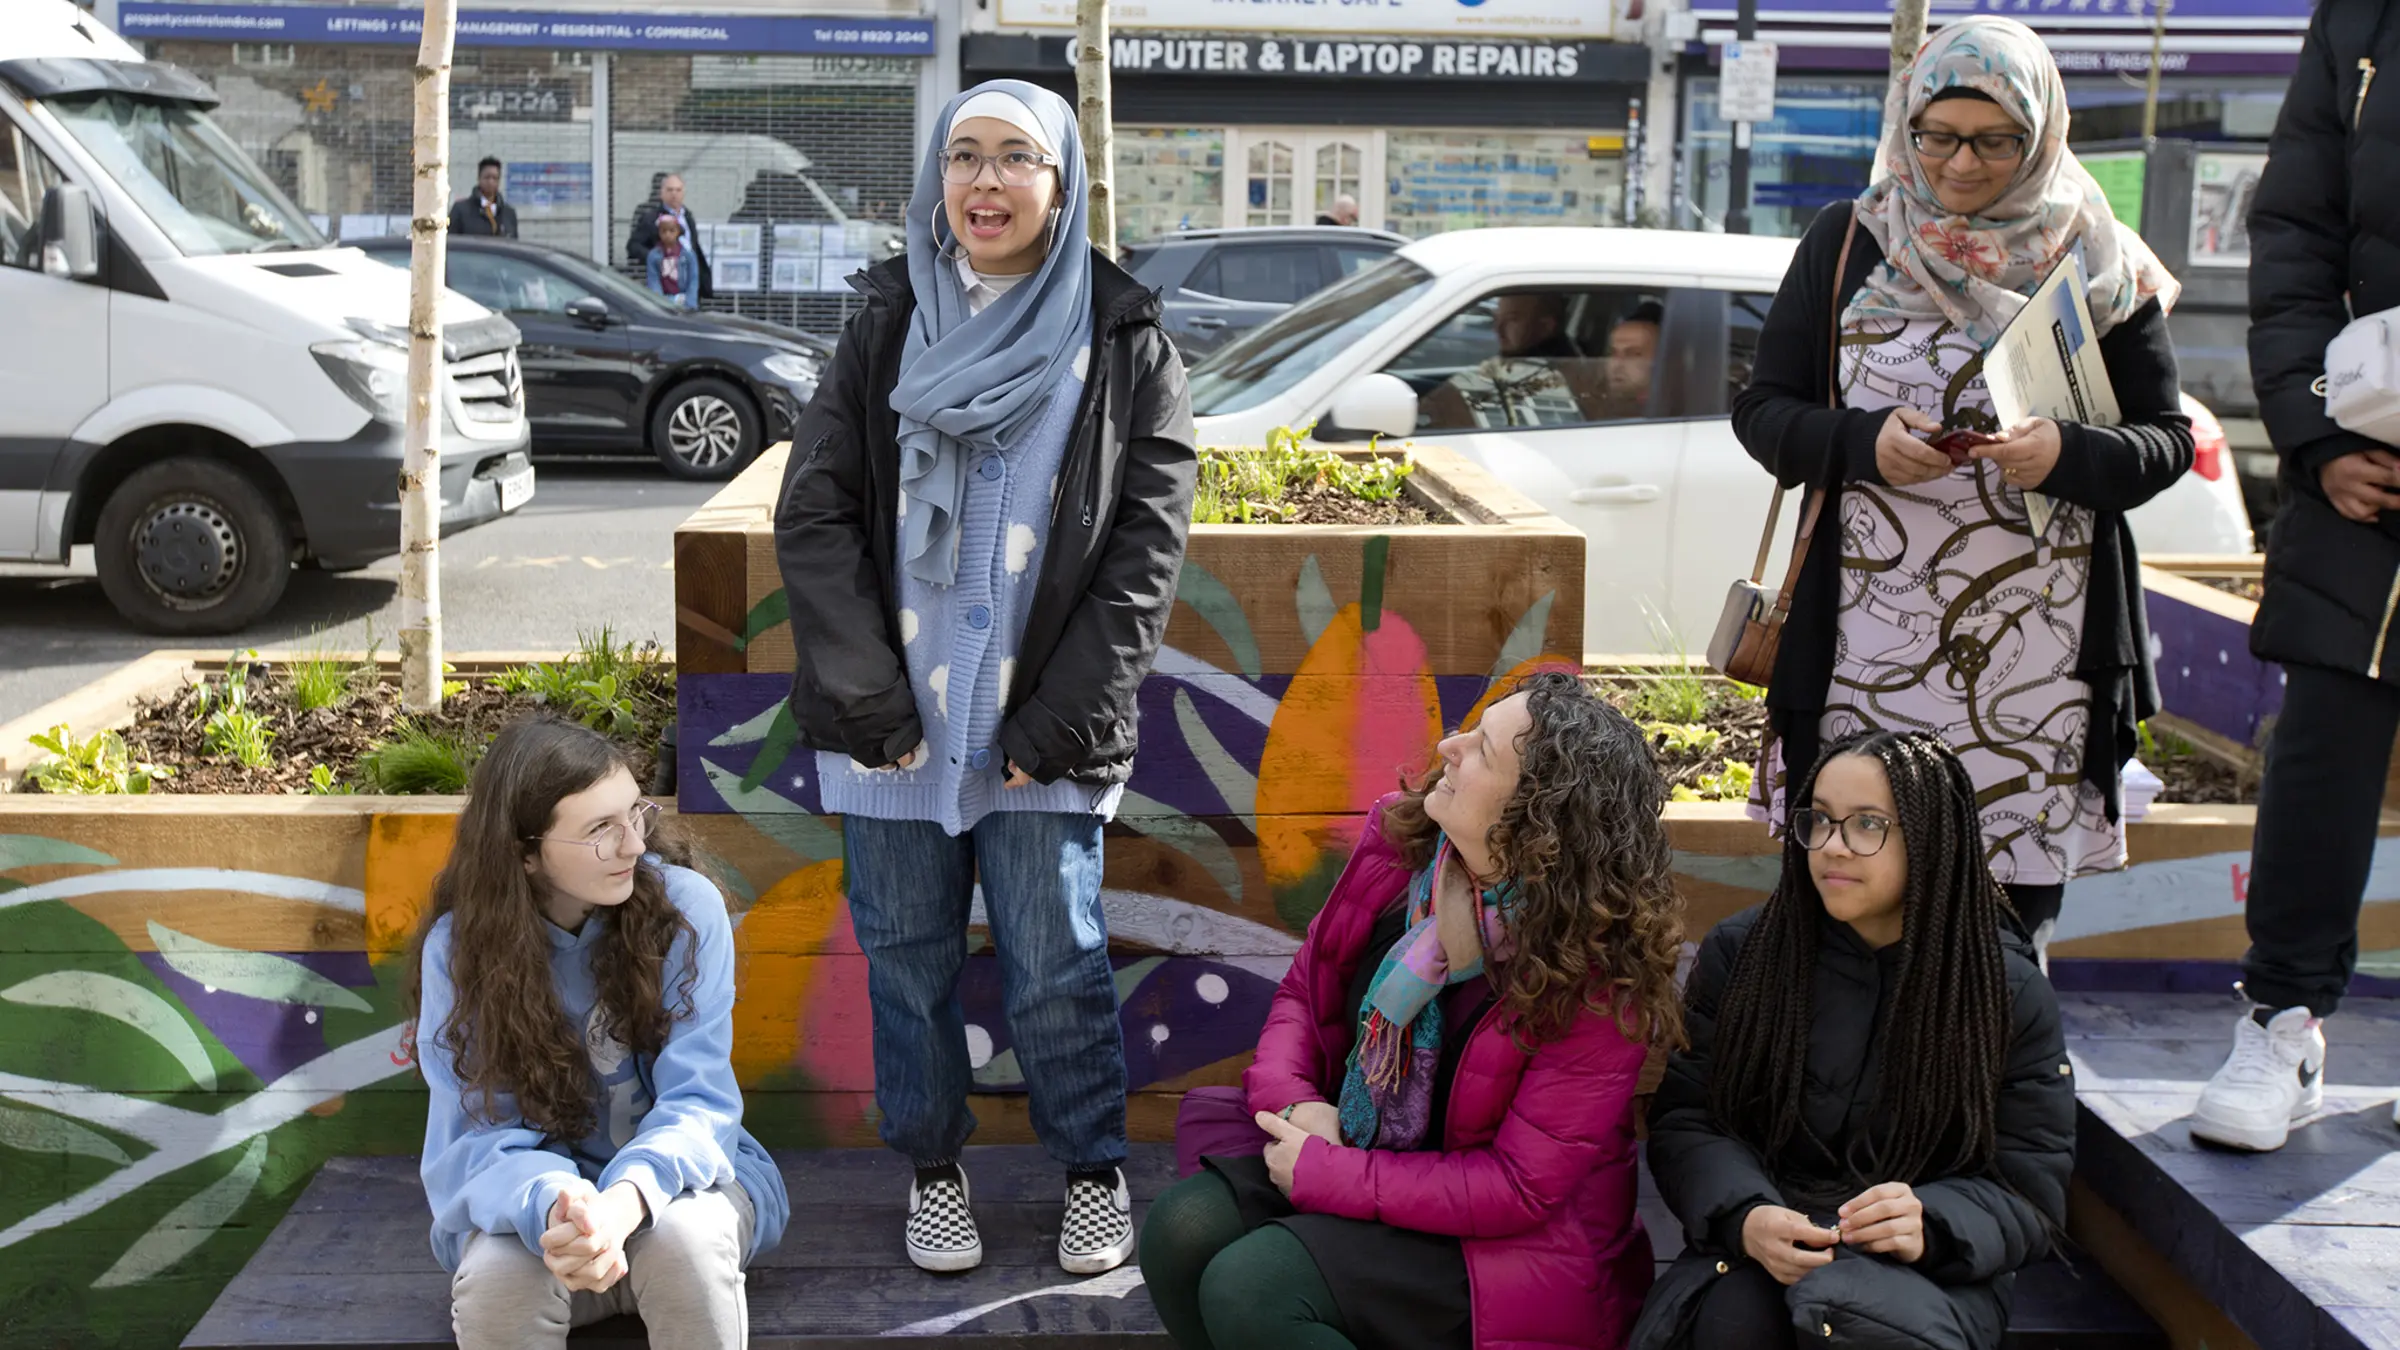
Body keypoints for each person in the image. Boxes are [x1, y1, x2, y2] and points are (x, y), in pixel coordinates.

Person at [770, 79, 1196, 1276]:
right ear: (936, 178)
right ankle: (933, 1171)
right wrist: (871, 702)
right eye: (964, 156)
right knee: (906, 962)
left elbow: (1145, 553)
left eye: (1016, 157)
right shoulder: (887, 318)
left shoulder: (1124, 338)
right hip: (892, 726)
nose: (986, 181)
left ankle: (1092, 1171)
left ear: (1063, 182)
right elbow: (814, 515)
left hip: (1040, 728)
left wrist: (1057, 726)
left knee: (1056, 963)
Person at [1729, 15, 2192, 957]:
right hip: (1862, 656)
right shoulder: (1851, 240)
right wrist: (1861, 443)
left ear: (2043, 133)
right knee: (1849, 919)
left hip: (2039, 667)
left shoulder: (2100, 258)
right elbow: (1762, 412)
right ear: (1905, 126)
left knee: (2002, 947)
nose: (1962, 164)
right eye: (1937, 137)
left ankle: (1986, 1059)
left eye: (1995, 141)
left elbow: (2165, 441)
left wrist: (2067, 454)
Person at [1140, 672, 1685, 1350]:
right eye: (1471, 730)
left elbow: (1518, 1187)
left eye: (1483, 750)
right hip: (1356, 1150)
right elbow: (1303, 997)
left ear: (1538, 818)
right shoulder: (1406, 849)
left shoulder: (1597, 978)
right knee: (1180, 1231)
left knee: (1252, 1287)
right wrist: (1297, 1107)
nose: (1449, 745)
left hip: (1502, 1241)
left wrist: (1330, 1173)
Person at [1632, 731, 2075, 1350]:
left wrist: (1931, 1221)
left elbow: (2030, 1189)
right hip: (1759, 1249)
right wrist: (1746, 1214)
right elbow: (1689, 1119)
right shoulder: (1746, 954)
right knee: (1730, 1322)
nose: (1833, 846)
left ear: (1930, 839)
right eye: (1819, 820)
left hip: (1931, 1276)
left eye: (1868, 824)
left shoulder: (2003, 989)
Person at [403, 716, 789, 1349]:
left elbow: (700, 1102)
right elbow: (476, 1138)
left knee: (684, 1245)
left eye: (634, 813)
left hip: (678, 1191)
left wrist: (624, 1202)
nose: (634, 844)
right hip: (542, 1219)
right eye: (599, 830)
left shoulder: (686, 911)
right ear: (525, 853)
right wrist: (565, 1207)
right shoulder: (459, 951)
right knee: (498, 1284)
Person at [2195, 0, 2400, 1151]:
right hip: (2367, 450)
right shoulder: (2360, 17)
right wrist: (2316, 432)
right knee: (2324, 743)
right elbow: (2296, 231)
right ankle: (2284, 1024)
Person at [628, 174, 711, 301]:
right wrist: (657, 259)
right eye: (670, 190)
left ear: (683, 193)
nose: (674, 194)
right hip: (665, 284)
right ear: (662, 193)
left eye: (678, 190)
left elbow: (693, 247)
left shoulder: (687, 217)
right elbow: (633, 246)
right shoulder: (651, 218)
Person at [449, 156, 517, 239]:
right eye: (487, 177)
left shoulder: (508, 213)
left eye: (495, 178)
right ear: (479, 178)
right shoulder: (461, 210)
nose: (490, 182)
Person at [645, 215, 701, 311]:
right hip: (663, 300)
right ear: (659, 232)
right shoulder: (654, 256)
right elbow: (653, 281)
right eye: (664, 231)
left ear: (678, 231)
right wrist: (660, 302)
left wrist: (690, 304)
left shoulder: (688, 254)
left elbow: (693, 280)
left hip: (684, 300)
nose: (667, 235)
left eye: (672, 231)